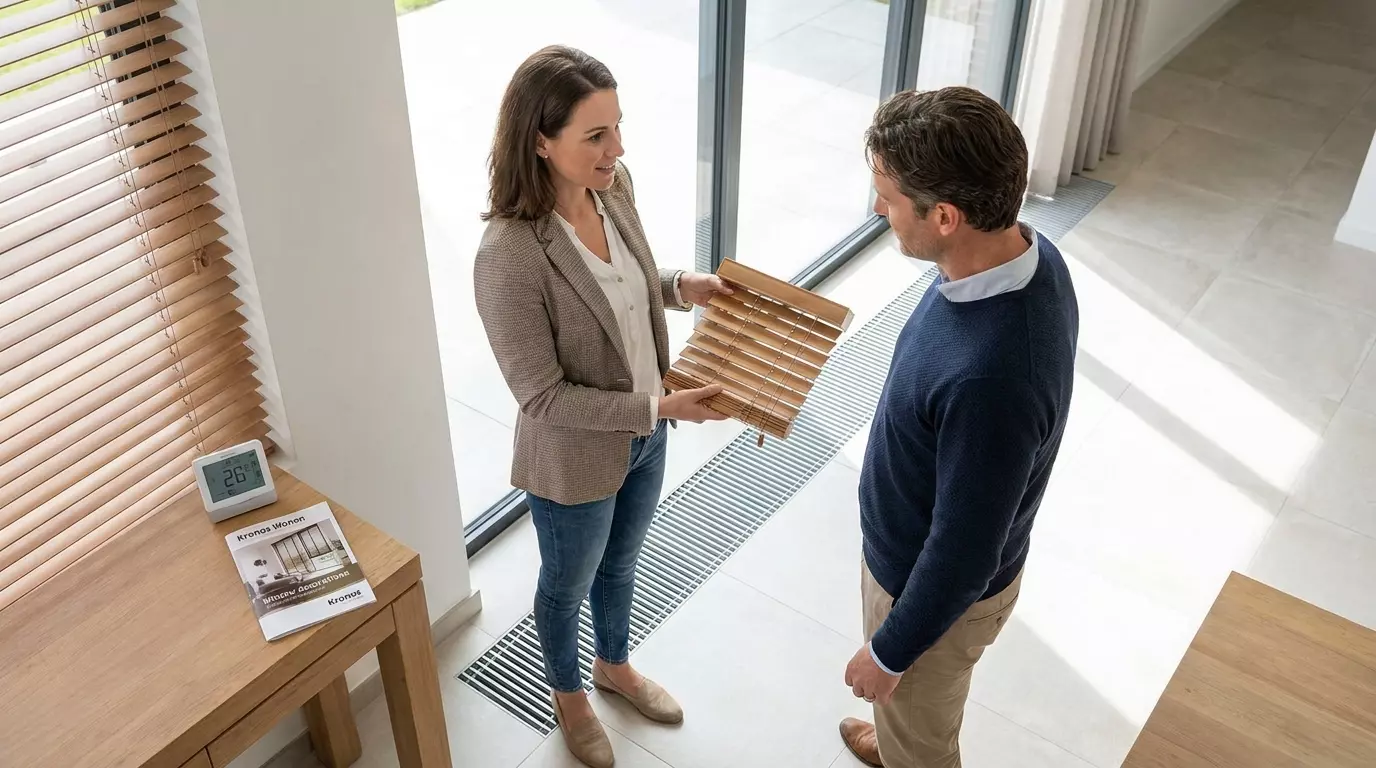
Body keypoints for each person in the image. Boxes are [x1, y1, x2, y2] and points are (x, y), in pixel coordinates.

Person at [473, 45, 731, 768]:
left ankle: (614, 668)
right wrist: (661, 406)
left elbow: (629, 286)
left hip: (649, 433)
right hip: (578, 453)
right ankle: (569, 699)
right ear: (540, 141)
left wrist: (682, 286)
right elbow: (542, 395)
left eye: (617, 127)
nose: (617, 149)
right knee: (566, 585)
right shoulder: (509, 254)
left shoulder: (616, 189)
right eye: (596, 136)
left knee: (622, 566)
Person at [838, 86, 1079, 768]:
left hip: (926, 595)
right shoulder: (1025, 256)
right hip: (919, 566)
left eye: (886, 197)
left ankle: (906, 742)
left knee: (923, 741)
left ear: (945, 216)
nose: (878, 209)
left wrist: (890, 652)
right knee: (914, 716)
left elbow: (966, 550)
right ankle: (898, 732)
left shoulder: (992, 377)